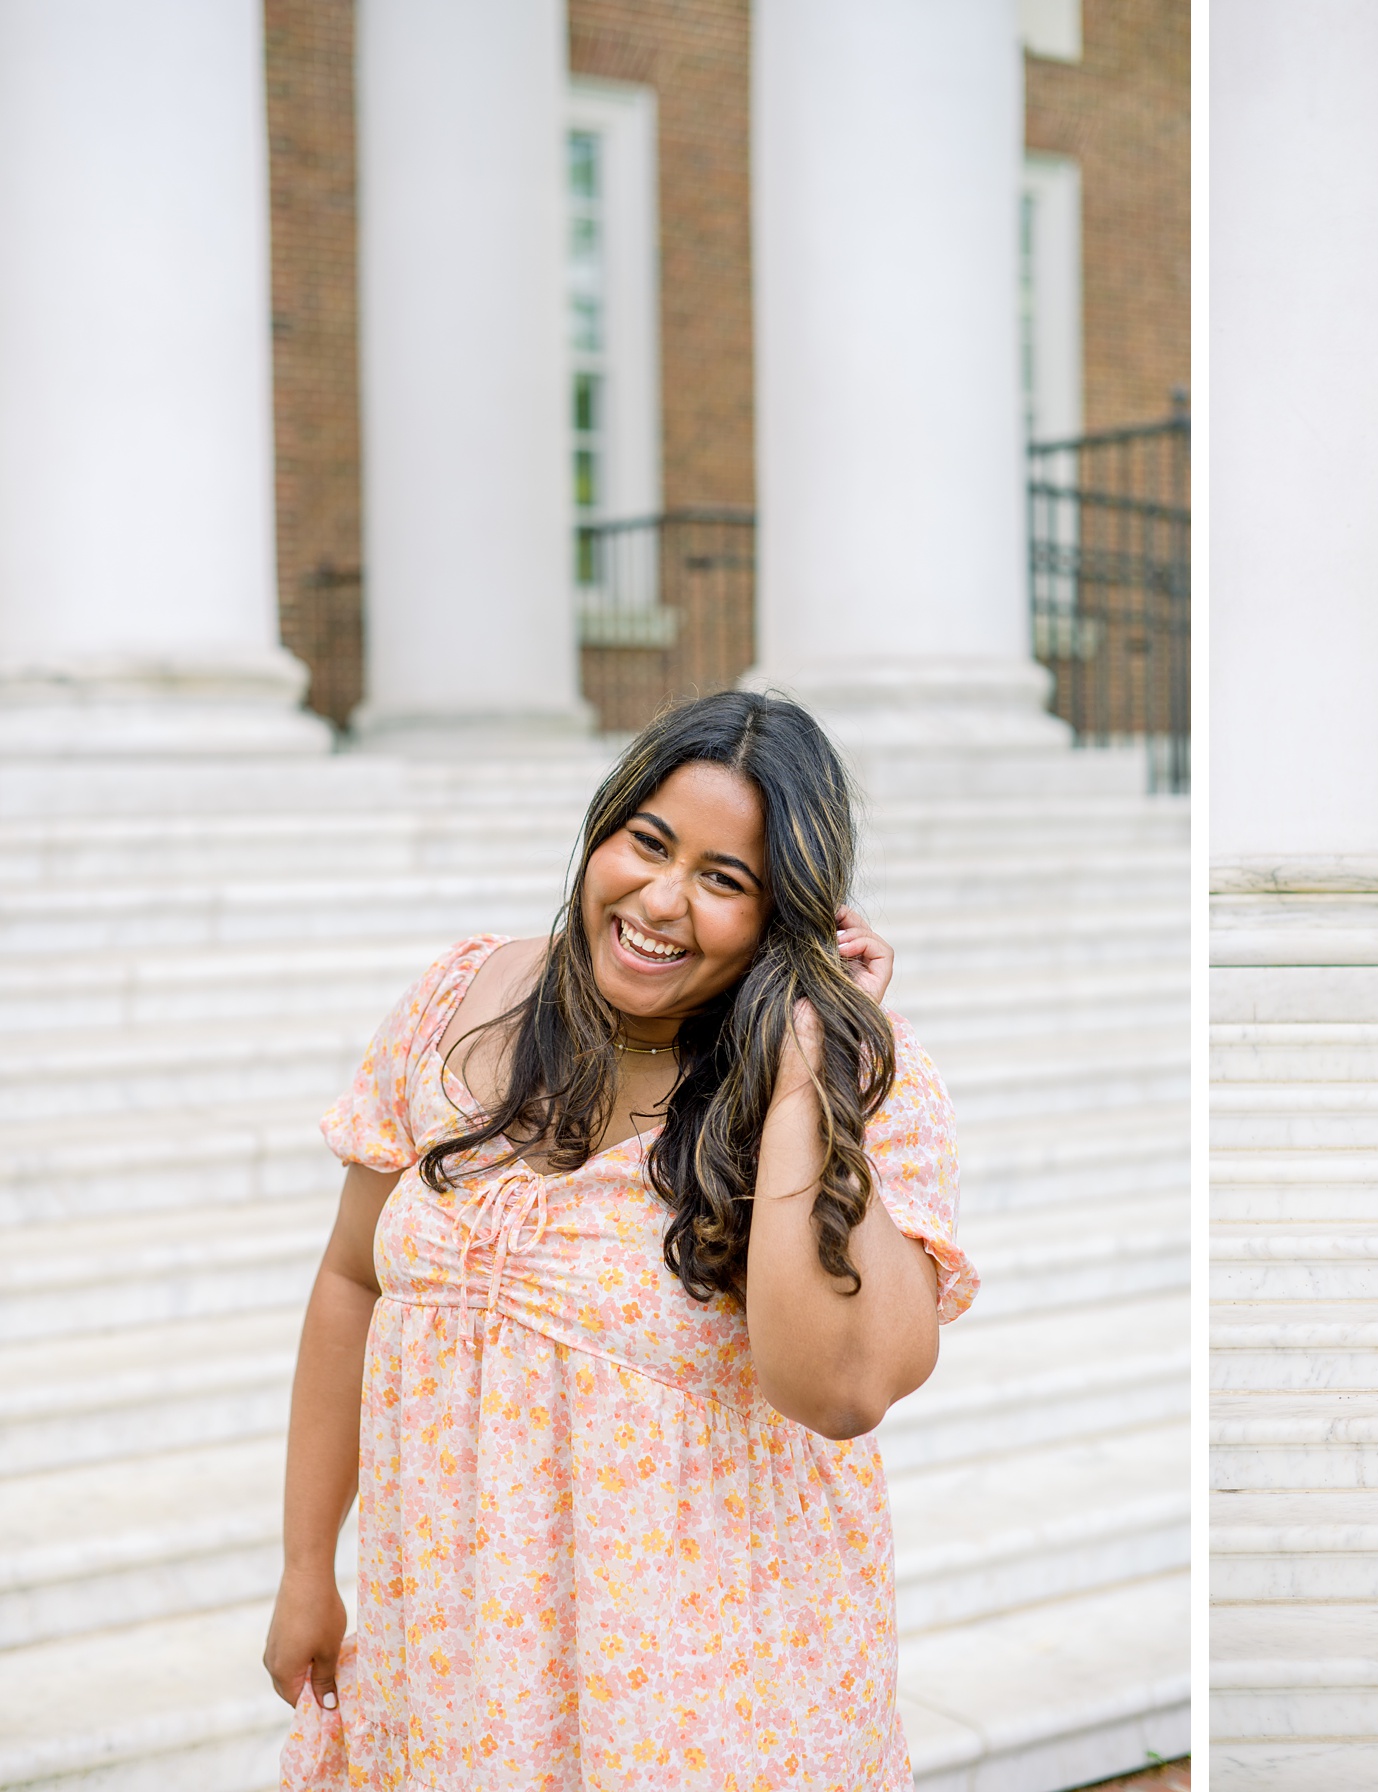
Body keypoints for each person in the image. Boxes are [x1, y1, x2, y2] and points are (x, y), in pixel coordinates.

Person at [262, 690, 976, 1788]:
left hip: (699, 1701)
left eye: (724, 878)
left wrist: (803, 1082)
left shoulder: (857, 1081)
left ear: (785, 913)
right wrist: (308, 1565)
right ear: (603, 829)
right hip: (452, 1667)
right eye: (648, 842)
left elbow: (836, 1389)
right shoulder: (459, 999)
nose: (661, 897)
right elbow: (352, 1278)